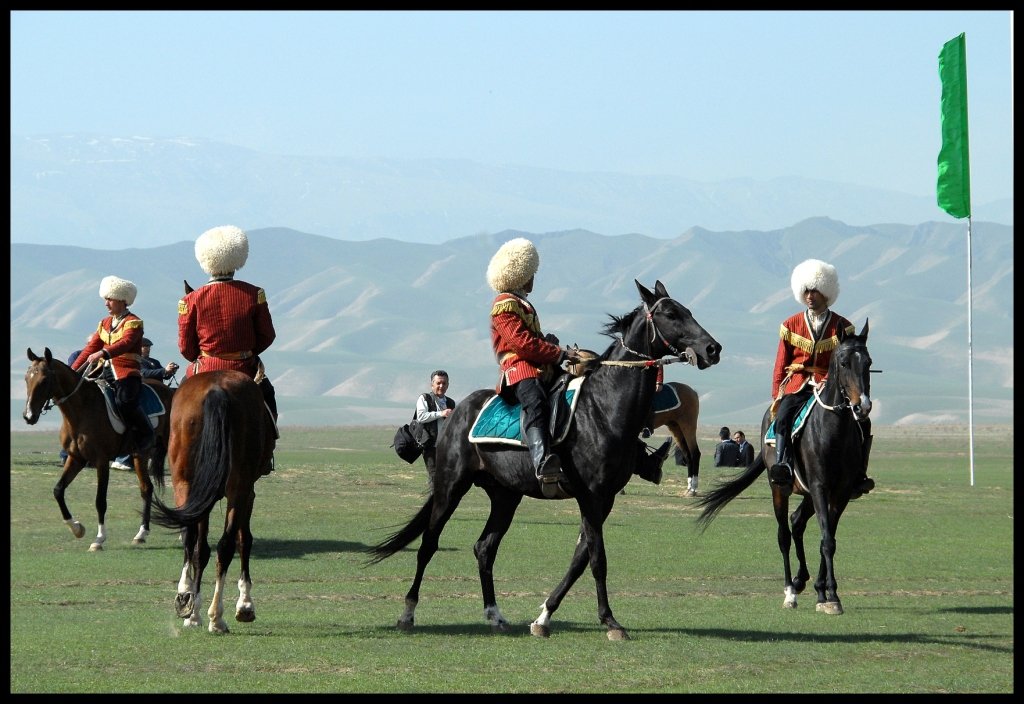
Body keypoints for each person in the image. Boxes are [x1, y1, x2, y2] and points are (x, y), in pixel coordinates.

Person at [769, 258, 874, 498]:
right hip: (798, 385)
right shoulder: (790, 324)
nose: (809, 296)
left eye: (814, 291)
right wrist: (777, 394)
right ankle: (783, 466)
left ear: (826, 292)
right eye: (806, 291)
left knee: (862, 422)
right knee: (784, 418)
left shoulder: (843, 326)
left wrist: (831, 379)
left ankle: (859, 474)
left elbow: (847, 362)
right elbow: (780, 362)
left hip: (832, 386)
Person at [177, 224, 278, 423]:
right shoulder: (254, 294)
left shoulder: (190, 300)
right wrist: (246, 353)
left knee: (178, 405)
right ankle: (269, 441)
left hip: (205, 366)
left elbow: (186, 348)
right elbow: (267, 335)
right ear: (237, 259)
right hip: (244, 367)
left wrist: (203, 355)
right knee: (268, 397)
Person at [70, 275, 155, 457]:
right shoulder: (104, 323)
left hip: (126, 373)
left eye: (109, 299)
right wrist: (73, 372)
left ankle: (145, 435)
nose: (106, 304)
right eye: (105, 300)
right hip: (103, 372)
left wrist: (104, 353)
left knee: (124, 401)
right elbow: (89, 349)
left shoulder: (134, 322)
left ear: (122, 301)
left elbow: (126, 343)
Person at [109, 338, 178, 471]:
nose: (147, 348)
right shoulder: (136, 361)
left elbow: (162, 376)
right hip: (141, 391)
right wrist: (163, 371)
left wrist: (169, 372)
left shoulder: (154, 362)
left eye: (148, 347)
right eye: (145, 346)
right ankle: (123, 458)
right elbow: (144, 374)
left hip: (156, 393)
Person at [416, 369, 456, 483]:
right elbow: (421, 417)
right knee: (435, 479)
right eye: (438, 383)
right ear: (432, 384)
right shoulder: (425, 398)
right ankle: (435, 500)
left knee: (448, 478)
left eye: (444, 383)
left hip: (446, 447)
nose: (441, 386)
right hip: (430, 446)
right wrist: (441, 413)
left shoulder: (451, 402)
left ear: (448, 385)